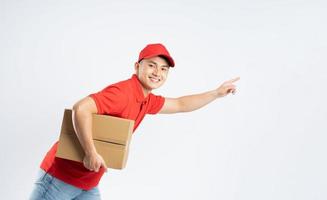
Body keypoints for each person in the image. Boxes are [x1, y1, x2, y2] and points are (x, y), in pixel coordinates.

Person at [29, 43, 240, 199]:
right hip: (60, 178)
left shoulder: (146, 99)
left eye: (164, 69)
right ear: (137, 66)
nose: (157, 72)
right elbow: (81, 108)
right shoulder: (123, 92)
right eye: (151, 65)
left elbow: (181, 104)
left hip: (88, 183)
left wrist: (216, 93)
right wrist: (90, 153)